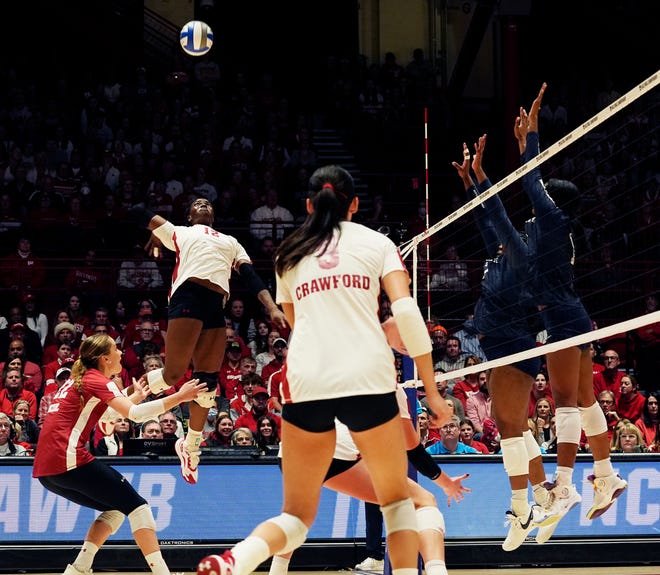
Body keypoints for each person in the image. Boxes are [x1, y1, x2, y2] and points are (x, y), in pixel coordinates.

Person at [197, 164, 452, 575]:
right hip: (367, 375)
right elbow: (406, 312)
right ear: (354, 203)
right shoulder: (377, 242)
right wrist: (433, 391)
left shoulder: (289, 253)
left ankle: (236, 559)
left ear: (309, 204)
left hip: (307, 378)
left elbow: (300, 324)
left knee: (296, 517)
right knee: (397, 502)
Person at [515, 83, 628, 542]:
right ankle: (605, 473)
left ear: (552, 203)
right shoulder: (556, 230)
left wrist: (532, 139)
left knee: (566, 402)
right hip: (572, 314)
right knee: (583, 401)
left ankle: (563, 487)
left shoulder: (554, 221)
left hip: (562, 317)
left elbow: (530, 181)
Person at [129, 196, 287, 484]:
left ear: (213, 216)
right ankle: (125, 397)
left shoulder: (230, 241)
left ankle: (190, 446)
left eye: (207, 203)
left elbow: (251, 277)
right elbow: (138, 210)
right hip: (188, 295)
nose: (202, 203)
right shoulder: (180, 231)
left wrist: (273, 307)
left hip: (216, 303)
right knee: (174, 373)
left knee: (206, 382)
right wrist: (156, 232)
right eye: (196, 203)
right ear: (189, 216)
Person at [451, 135, 556, 550]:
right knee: (512, 426)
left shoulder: (520, 255)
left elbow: (495, 213)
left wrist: (482, 174)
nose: (503, 234)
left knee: (509, 429)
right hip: (500, 347)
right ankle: (544, 494)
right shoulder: (497, 253)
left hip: (513, 346)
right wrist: (467, 184)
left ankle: (522, 507)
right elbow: (483, 218)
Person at [31, 333, 206, 575]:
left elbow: (107, 417)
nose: (121, 353)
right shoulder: (98, 380)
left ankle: (78, 569)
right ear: (105, 358)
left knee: (114, 510)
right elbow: (134, 416)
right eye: (116, 349)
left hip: (46, 470)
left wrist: (135, 397)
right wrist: (179, 397)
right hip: (67, 459)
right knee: (138, 507)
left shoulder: (78, 379)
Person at [269, 384, 470, 575]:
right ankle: (437, 570)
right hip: (335, 449)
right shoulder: (387, 380)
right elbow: (413, 449)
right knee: (423, 501)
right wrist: (445, 482)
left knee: (296, 518)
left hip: (290, 449)